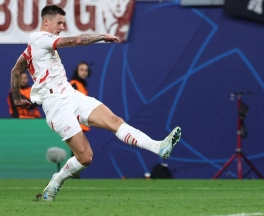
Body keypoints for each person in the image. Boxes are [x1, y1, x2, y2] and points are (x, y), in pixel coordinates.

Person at [10, 4, 181, 201]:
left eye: (63, 23)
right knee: (85, 157)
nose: (62, 27)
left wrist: (16, 98)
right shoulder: (40, 39)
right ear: (46, 21)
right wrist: (101, 36)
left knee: (114, 121)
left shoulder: (33, 48)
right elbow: (76, 40)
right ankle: (56, 181)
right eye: (59, 23)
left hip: (71, 95)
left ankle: (158, 147)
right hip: (55, 105)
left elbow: (15, 70)